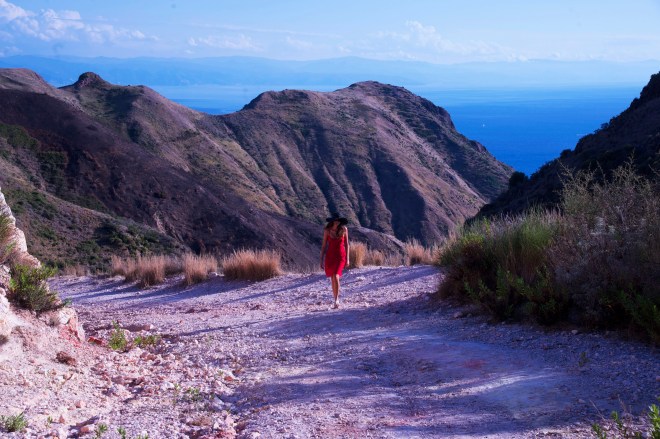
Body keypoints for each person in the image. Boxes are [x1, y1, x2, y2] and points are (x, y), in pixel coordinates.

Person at [320, 213, 350, 309]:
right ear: (332, 221)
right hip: (330, 256)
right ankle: (335, 298)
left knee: (336, 275)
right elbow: (324, 246)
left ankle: (337, 299)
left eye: (338, 220)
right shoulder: (327, 231)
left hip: (340, 256)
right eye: (335, 220)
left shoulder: (344, 229)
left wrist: (348, 259)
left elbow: (346, 244)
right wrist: (321, 260)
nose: (337, 222)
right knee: (332, 277)